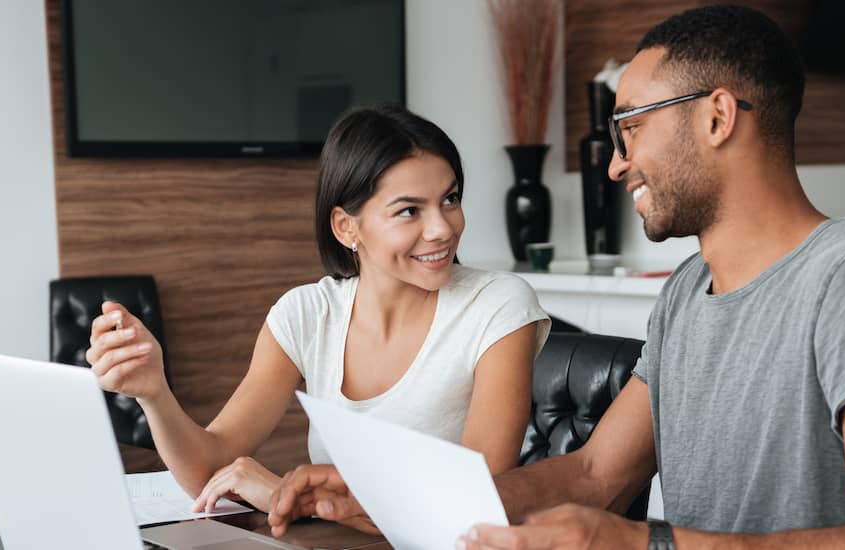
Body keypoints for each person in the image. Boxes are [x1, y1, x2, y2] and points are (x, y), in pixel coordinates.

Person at [267, 6, 845, 549]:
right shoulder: (687, 294)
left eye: (628, 127)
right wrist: (398, 498)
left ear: (718, 117)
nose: (613, 164)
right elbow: (595, 473)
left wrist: (646, 541)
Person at [85, 105, 551, 515]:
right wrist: (154, 394)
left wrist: (300, 498)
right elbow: (211, 468)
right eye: (410, 211)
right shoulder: (307, 315)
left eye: (450, 199)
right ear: (347, 227)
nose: (442, 228)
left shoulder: (498, 306)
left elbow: (474, 498)